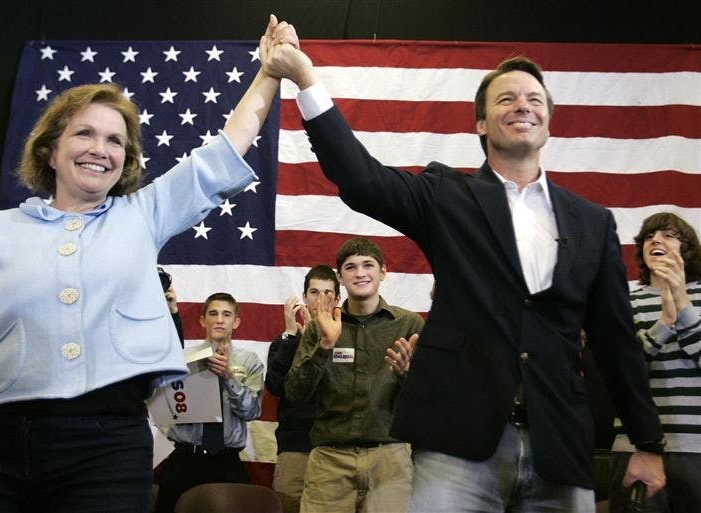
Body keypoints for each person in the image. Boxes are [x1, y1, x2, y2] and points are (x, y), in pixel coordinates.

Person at [0, 15, 299, 513]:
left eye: (116, 140)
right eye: (84, 134)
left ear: (127, 157)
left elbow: (223, 151)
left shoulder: (144, 214)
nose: (100, 149)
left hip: (108, 448)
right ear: (50, 150)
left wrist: (268, 73)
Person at [266, 44, 666, 512]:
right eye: (506, 98)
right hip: (458, 446)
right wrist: (306, 78)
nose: (522, 105)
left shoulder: (592, 222)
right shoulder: (447, 196)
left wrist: (647, 441)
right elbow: (362, 179)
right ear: (481, 124)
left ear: (548, 122)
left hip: (560, 445)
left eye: (535, 99)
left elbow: (615, 341)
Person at [285, 237, 425, 513]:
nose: (360, 273)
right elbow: (295, 394)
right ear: (340, 277)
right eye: (350, 267)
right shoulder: (319, 327)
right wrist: (325, 344)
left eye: (368, 265)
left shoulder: (409, 324)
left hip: (390, 457)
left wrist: (406, 375)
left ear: (383, 272)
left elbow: (429, 400)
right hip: (329, 459)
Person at [608, 212, 701, 513]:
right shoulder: (624, 300)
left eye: (668, 235)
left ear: (686, 248)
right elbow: (618, 372)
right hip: (635, 449)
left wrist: (683, 307)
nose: (656, 240)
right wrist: (663, 324)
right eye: (649, 236)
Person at [153, 292, 264, 513]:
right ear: (203, 320)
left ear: (236, 321)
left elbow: (252, 411)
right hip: (185, 458)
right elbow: (161, 409)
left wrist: (228, 377)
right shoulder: (182, 359)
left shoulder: (249, 361)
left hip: (226, 461)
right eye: (213, 313)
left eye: (226, 314)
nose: (220, 319)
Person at [265, 264, 340, 513]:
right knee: (287, 506)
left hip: (335, 447)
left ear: (338, 298)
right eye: (314, 292)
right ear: (304, 296)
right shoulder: (285, 341)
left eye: (328, 293)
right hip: (295, 445)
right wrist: (292, 335)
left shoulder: (346, 338)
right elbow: (275, 387)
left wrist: (319, 341)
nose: (320, 299)